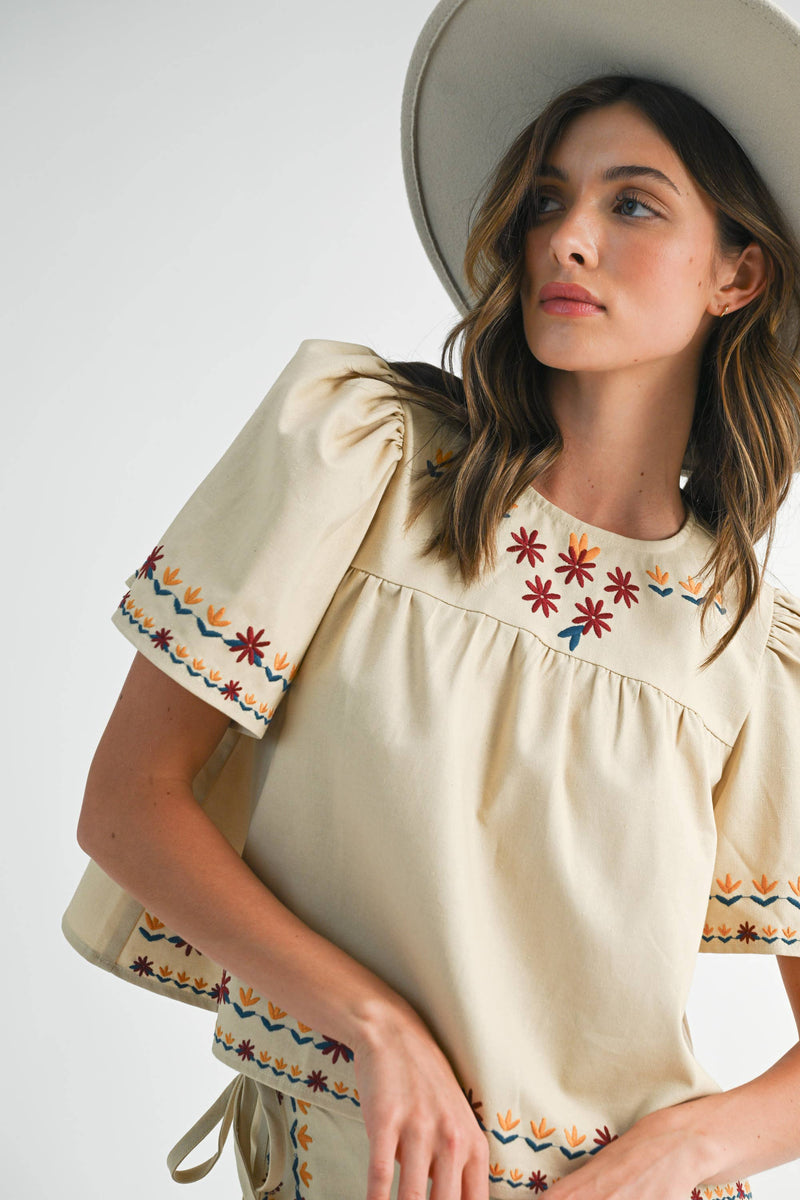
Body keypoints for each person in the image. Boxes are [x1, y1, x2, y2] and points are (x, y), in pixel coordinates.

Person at [62, 1, 800, 1198]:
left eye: (631, 203)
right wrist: (376, 1026)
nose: (565, 239)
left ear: (737, 272)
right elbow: (128, 806)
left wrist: (687, 1147)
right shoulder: (363, 464)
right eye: (547, 199)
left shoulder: (740, 642)